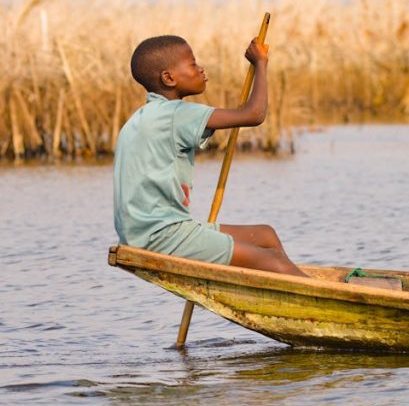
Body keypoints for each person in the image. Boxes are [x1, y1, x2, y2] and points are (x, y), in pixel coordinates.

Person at [114, 35, 309, 277]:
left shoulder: (142, 117)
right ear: (169, 78)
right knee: (271, 260)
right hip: (163, 235)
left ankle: (279, 296)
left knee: (265, 236)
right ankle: (321, 302)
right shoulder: (175, 113)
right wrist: (260, 63)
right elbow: (254, 114)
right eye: (193, 64)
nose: (201, 69)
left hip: (144, 233)